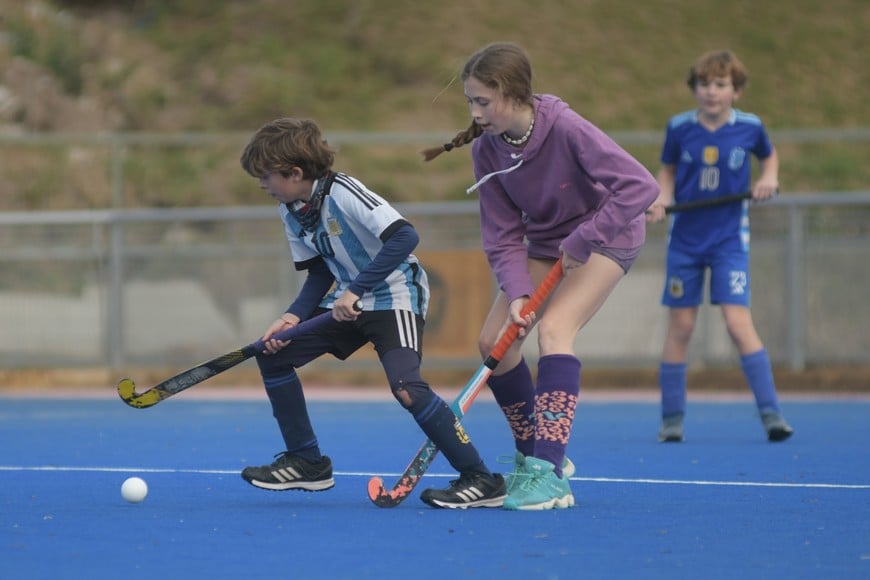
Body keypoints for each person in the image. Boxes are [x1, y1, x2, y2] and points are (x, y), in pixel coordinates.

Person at [423, 42, 659, 510]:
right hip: (549, 244)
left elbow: (640, 186)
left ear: (513, 95)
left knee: (554, 331)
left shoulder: (567, 129)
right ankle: (533, 452)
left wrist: (587, 237)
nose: (475, 113)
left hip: (606, 236)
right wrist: (517, 291)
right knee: (496, 342)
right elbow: (502, 235)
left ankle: (548, 474)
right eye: (470, 102)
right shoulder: (487, 151)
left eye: (482, 102)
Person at [239, 117, 506, 509]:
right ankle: (307, 463)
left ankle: (481, 479)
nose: (262, 185)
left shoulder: (344, 192)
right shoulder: (291, 209)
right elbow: (317, 271)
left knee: (407, 389)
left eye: (266, 177)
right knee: (273, 354)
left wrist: (358, 288)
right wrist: (294, 316)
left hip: (395, 294)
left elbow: (404, 236)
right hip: (348, 300)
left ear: (295, 173)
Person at [645, 50, 793, 443]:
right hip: (685, 243)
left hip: (729, 242)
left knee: (738, 324)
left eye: (721, 85)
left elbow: (769, 155)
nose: (712, 92)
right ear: (694, 90)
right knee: (682, 327)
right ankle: (671, 419)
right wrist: (661, 198)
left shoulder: (750, 127)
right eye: (704, 85)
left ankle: (771, 414)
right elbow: (669, 170)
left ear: (737, 90)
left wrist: (770, 178)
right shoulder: (679, 127)